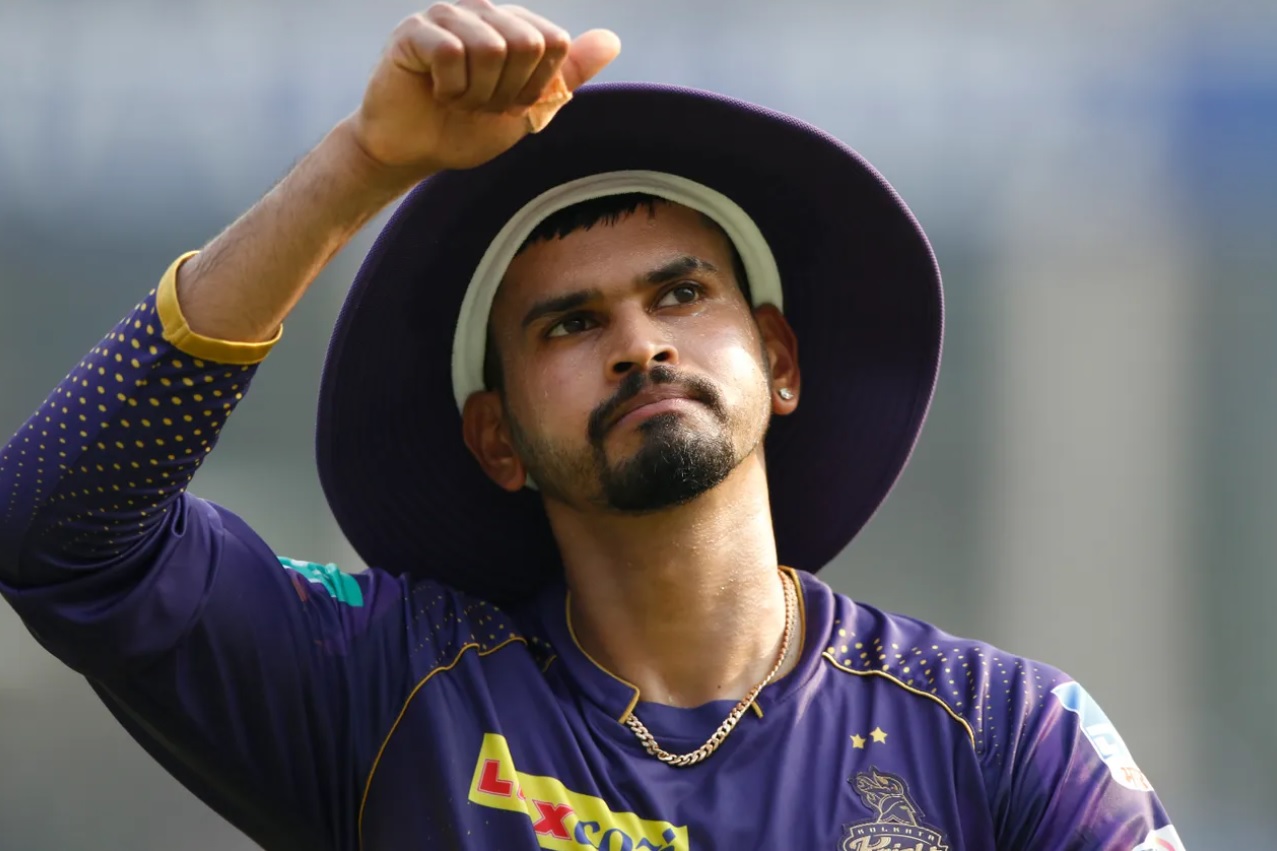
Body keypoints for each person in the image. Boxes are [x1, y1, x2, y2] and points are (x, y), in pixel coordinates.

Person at [0, 2, 1185, 849]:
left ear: (777, 360)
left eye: (680, 294)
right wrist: (361, 165)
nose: (637, 343)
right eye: (569, 324)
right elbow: (58, 527)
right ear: (495, 437)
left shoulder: (1001, 733)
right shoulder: (388, 689)